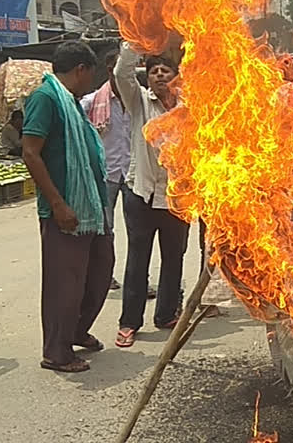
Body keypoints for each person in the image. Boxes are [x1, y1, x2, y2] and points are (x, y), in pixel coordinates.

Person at [22, 41, 114, 373]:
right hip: (65, 210)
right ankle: (56, 351)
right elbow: (30, 152)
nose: (92, 81)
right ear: (81, 70)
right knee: (66, 283)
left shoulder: (71, 102)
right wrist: (58, 204)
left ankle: (76, 330)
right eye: (92, 74)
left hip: (90, 207)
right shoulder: (46, 99)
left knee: (101, 270)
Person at [113, 42, 190, 348]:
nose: (159, 74)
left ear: (175, 77)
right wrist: (135, 40)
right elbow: (122, 73)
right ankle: (129, 323)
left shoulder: (188, 107)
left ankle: (167, 314)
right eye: (154, 70)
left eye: (165, 70)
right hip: (141, 194)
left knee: (174, 259)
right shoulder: (138, 102)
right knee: (138, 261)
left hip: (177, 198)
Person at [80, 48, 135, 292]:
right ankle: (105, 275)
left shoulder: (140, 98)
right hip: (106, 174)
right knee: (105, 229)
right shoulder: (92, 102)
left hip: (133, 174)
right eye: (115, 66)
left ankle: (137, 279)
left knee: (137, 233)